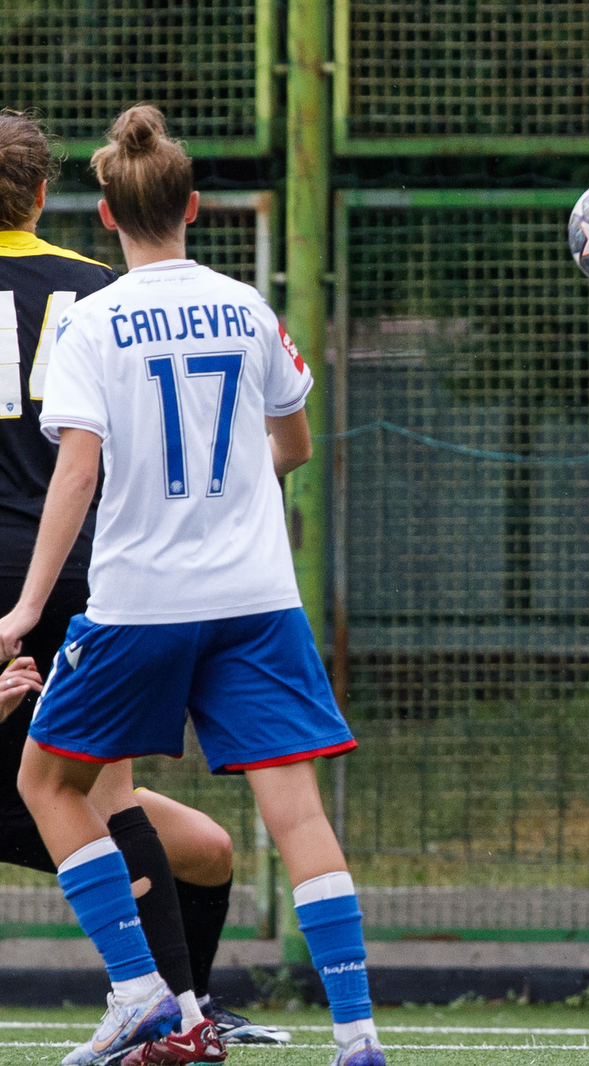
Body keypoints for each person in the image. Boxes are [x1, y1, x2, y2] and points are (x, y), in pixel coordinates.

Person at [0, 104, 384, 1066]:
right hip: (257, 597)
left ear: (104, 216)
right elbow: (290, 441)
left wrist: (27, 607)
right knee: (295, 810)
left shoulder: (94, 320)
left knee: (49, 782)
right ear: (196, 207)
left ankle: (138, 990)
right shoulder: (248, 307)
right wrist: (233, 487)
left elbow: (78, 474)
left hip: (141, 602)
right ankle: (359, 1034)